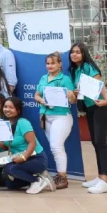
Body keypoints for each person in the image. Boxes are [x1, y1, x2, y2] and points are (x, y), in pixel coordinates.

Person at [69, 43, 107, 194]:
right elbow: (81, 90)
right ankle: (100, 177)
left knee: (100, 142)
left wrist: (105, 100)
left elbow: (99, 85)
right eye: (72, 52)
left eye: (78, 52)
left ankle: (105, 181)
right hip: (90, 108)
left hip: (102, 105)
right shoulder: (75, 70)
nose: (74, 55)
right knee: (95, 141)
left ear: (84, 54)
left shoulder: (88, 66)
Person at [34, 52, 78, 189]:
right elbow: (36, 95)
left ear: (60, 64)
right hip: (46, 116)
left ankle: (63, 177)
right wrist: (41, 100)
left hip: (61, 116)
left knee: (56, 146)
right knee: (55, 147)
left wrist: (71, 95)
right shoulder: (43, 78)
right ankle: (60, 175)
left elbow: (72, 100)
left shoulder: (65, 79)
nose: (50, 66)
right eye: (47, 63)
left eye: (53, 63)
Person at [0, 96, 53, 194]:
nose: (7, 110)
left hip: (36, 158)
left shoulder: (23, 123)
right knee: (10, 185)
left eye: (11, 107)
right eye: (5, 107)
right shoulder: (5, 124)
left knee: (10, 168)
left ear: (18, 110)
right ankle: (35, 178)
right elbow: (7, 147)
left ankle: (38, 180)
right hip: (18, 157)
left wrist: (23, 157)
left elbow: (32, 143)